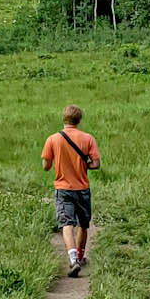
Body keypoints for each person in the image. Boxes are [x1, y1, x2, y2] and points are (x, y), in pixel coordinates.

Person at [42, 104, 100, 276]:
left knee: (66, 224)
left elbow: (46, 166)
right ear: (79, 120)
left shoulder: (53, 139)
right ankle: (81, 257)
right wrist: (83, 165)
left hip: (63, 188)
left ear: (63, 119)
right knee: (83, 224)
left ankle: (72, 259)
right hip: (82, 188)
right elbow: (96, 164)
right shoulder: (88, 138)